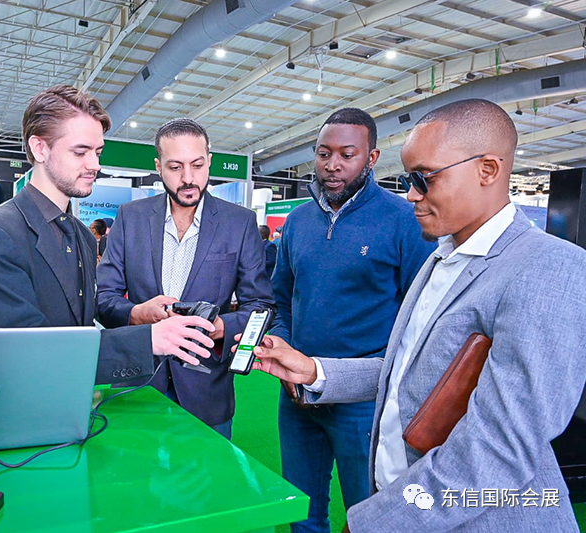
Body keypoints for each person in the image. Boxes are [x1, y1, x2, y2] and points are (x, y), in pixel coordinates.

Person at [246, 99, 586, 532]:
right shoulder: (441, 259)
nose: (410, 194)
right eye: (409, 179)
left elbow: (498, 448)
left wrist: (374, 521)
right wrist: (315, 371)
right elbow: (407, 370)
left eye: (424, 178)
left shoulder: (550, 268)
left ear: (487, 170)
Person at [0, 85, 216, 385]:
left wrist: (138, 313)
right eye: (80, 152)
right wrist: (146, 340)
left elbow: (80, 319)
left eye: (97, 152)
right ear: (40, 148)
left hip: (78, 403)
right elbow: (26, 351)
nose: (95, 165)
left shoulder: (82, 236)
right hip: (27, 406)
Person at [269, 108, 434, 533]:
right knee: (301, 513)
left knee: (370, 515)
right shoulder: (298, 222)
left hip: (365, 403)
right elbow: (281, 300)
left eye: (347, 154)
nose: (333, 165)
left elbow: (420, 316)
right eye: (324, 153)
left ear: (372, 157)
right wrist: (286, 353)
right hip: (298, 397)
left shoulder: (403, 219)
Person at [96, 118, 275, 439]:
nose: (188, 178)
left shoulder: (239, 223)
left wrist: (219, 327)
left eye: (197, 165)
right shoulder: (131, 218)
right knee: (137, 469)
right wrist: (137, 313)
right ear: (158, 166)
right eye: (175, 167)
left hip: (207, 388)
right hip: (139, 382)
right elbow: (103, 297)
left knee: (207, 472)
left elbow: (261, 305)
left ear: (209, 162)